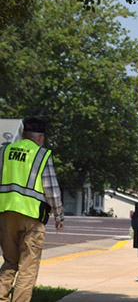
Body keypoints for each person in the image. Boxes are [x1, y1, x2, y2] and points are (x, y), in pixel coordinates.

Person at [0, 118, 65, 302]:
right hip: (31, 218)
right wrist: (59, 216)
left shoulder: (4, 152)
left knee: (10, 262)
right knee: (27, 268)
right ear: (41, 137)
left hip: (5, 215)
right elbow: (51, 190)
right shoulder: (41, 155)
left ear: (22, 134)